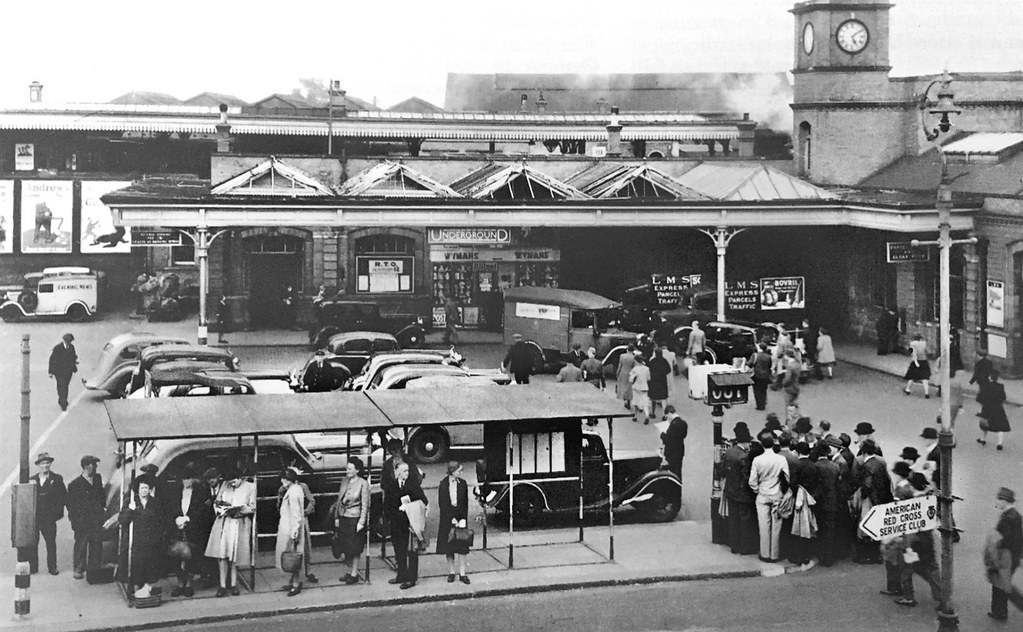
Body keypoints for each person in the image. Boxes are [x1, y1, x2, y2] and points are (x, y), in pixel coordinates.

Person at [205, 465, 256, 597]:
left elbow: (252, 507)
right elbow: (217, 501)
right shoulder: (225, 485)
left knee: (234, 555)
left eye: (234, 481)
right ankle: (222, 585)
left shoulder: (250, 487)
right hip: (224, 522)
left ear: (240, 478)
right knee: (222, 555)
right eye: (230, 482)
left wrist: (240, 510)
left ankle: (233, 584)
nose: (232, 484)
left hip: (238, 523)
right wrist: (221, 508)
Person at [893, 472, 942, 607]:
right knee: (929, 568)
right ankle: (941, 596)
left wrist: (906, 544)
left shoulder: (914, 503)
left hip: (913, 542)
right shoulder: (928, 498)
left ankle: (908, 597)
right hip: (926, 541)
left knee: (906, 568)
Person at [166, 463, 212, 598]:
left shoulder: (199, 493)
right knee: (177, 556)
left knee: (191, 556)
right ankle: (180, 583)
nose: (187, 481)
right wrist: (177, 520)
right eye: (184, 479)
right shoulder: (176, 493)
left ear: (193, 479)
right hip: (178, 530)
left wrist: (188, 519)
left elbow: (202, 511)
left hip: (192, 529)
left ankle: (189, 584)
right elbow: (170, 510)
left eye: (189, 478)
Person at [118, 479, 165, 597]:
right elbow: (122, 520)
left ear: (149, 489)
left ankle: (144, 588)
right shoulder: (131, 501)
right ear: (137, 490)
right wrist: (130, 510)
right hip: (135, 539)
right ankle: (132, 586)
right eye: (142, 488)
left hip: (150, 539)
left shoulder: (155, 502)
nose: (144, 490)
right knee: (135, 564)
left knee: (148, 564)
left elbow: (160, 520)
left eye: (146, 488)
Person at [748, 434, 789, 563]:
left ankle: (764, 553)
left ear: (762, 444)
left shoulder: (757, 460)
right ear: (774, 443)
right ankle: (775, 554)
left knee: (763, 525)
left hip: (762, 494)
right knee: (776, 525)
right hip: (777, 494)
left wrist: (757, 489)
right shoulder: (781, 459)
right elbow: (787, 477)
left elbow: (752, 481)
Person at [985, 487, 1023, 621]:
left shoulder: (1008, 518)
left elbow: (1007, 540)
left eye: (999, 499)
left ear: (1005, 501)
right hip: (1013, 557)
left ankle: (1000, 613)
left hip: (1005, 557)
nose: (997, 502)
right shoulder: (1015, 515)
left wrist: (995, 543)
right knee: (1002, 584)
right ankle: (1000, 612)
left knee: (1000, 585)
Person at [331, 457, 370, 585]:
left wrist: (361, 522)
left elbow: (365, 505)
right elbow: (338, 501)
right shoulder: (344, 481)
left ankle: (354, 573)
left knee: (355, 547)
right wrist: (336, 517)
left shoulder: (363, 483)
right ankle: (349, 570)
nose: (347, 471)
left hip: (355, 518)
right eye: (347, 468)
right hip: (343, 517)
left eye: (350, 469)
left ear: (357, 470)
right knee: (345, 547)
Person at [853, 440, 892, 565]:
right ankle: (877, 555)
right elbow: (886, 481)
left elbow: (867, 485)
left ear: (863, 451)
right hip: (880, 499)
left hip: (870, 500)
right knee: (876, 528)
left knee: (864, 527)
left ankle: (865, 556)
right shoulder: (881, 463)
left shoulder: (867, 466)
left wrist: (861, 497)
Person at [66, 455, 104, 579]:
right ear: (87, 467)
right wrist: (74, 521)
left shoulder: (97, 479)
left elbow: (102, 496)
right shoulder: (74, 485)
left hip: (96, 520)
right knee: (81, 545)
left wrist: (102, 511)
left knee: (96, 544)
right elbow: (70, 505)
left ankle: (94, 568)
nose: (96, 467)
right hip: (82, 522)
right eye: (94, 465)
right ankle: (78, 568)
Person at [391, 461, 428, 589]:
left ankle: (411, 578)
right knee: (399, 549)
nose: (407, 473)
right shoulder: (392, 484)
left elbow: (423, 501)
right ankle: (401, 574)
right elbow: (387, 504)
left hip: (410, 523)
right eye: (404, 471)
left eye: (408, 470)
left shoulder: (413, 484)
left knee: (412, 551)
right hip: (396, 523)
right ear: (397, 472)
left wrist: (409, 506)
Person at [28, 452, 65, 575]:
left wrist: (57, 513)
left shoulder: (57, 478)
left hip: (49, 517)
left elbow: (63, 497)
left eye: (47, 463)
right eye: (43, 463)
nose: (46, 465)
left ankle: (52, 567)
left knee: (50, 543)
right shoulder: (32, 480)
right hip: (35, 517)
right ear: (39, 465)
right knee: (33, 543)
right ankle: (33, 566)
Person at [723, 423, 757, 555]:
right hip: (742, 493)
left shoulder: (729, 453)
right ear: (747, 442)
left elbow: (723, 471)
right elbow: (746, 476)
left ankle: (734, 546)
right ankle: (744, 547)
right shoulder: (744, 457)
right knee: (744, 520)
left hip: (730, 491)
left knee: (733, 519)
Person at [437, 461, 471, 584]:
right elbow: (442, 504)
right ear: (452, 471)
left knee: (462, 547)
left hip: (460, 517)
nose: (460, 473)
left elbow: (465, 503)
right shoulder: (444, 484)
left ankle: (462, 573)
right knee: (449, 547)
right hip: (448, 517)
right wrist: (451, 518)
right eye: (458, 471)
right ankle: (451, 572)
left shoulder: (463, 484)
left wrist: (463, 519)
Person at [276, 468, 307, 596]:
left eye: (285, 478)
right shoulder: (295, 489)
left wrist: (294, 531)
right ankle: (293, 582)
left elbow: (296, 514)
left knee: (293, 557)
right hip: (291, 527)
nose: (282, 481)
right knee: (293, 556)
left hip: (291, 529)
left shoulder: (293, 492)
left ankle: (295, 584)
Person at [660, 405, 688, 503]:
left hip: (672, 453)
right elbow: (683, 436)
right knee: (678, 474)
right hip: (679, 452)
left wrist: (662, 434)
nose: (667, 419)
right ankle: (677, 496)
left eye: (667, 417)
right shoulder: (683, 423)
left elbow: (668, 439)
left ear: (670, 414)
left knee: (672, 475)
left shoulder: (673, 425)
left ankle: (672, 497)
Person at [978, 370, 1011, 450]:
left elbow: (980, 397)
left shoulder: (986, 385)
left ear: (990, 377)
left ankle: (983, 439)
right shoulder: (1000, 386)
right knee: (1001, 426)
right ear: (997, 378)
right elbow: (1003, 397)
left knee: (985, 424)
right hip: (998, 408)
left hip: (987, 407)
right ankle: (999, 443)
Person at [48, 333, 78, 411]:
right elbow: (52, 360)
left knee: (65, 386)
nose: (69, 343)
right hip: (59, 371)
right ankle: (63, 402)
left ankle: (62, 399)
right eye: (68, 342)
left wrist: (74, 368)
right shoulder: (57, 348)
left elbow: (73, 357)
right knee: (61, 386)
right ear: (64, 341)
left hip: (68, 371)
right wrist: (50, 372)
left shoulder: (71, 347)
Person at [903, 333, 931, 398]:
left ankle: (907, 389)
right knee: (925, 378)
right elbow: (928, 351)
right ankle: (926, 392)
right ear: (920, 338)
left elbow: (913, 353)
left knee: (912, 377)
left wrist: (916, 362)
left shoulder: (912, 344)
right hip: (924, 361)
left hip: (916, 362)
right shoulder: (924, 343)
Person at [648, 346, 671, 420]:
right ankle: (664, 415)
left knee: (653, 398)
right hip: (662, 380)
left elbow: (649, 370)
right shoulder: (664, 361)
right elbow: (669, 370)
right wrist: (663, 373)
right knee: (663, 398)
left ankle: (653, 413)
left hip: (654, 381)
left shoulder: (652, 361)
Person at [749, 343, 773, 411]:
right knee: (763, 390)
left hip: (757, 375)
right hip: (766, 375)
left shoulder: (755, 355)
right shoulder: (768, 356)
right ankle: (763, 403)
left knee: (757, 390)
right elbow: (770, 365)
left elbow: (750, 364)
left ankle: (759, 405)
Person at [629, 354, 652, 424]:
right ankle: (647, 416)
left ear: (636, 361)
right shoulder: (646, 369)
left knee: (636, 403)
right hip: (644, 387)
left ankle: (635, 416)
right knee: (645, 403)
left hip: (636, 387)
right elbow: (649, 378)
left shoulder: (635, 369)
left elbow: (630, 380)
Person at [782, 349, 801, 424]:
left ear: (787, 356)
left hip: (789, 388)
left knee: (788, 407)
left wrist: (783, 383)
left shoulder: (789, 366)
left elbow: (788, 378)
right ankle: (797, 419)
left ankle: (789, 422)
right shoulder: (797, 364)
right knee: (793, 404)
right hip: (796, 387)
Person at [616, 344, 637, 410]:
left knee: (623, 386)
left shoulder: (622, 356)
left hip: (623, 372)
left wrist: (617, 373)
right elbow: (635, 367)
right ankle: (628, 401)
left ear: (627, 349)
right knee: (629, 387)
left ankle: (625, 400)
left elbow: (620, 366)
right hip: (630, 373)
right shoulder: (634, 357)